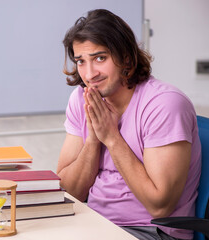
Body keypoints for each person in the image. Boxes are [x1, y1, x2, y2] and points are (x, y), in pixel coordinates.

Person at [56, 9, 201, 240]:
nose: (89, 74)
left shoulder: (165, 104)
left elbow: (160, 206)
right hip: (92, 222)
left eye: (100, 58)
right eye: (81, 61)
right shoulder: (82, 99)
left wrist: (112, 138)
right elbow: (68, 192)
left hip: (150, 231)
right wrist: (94, 139)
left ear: (125, 57)